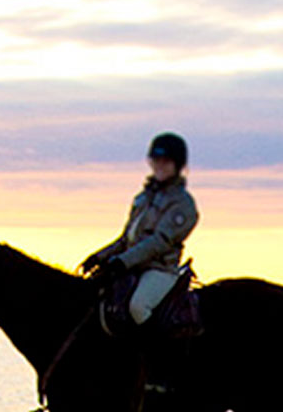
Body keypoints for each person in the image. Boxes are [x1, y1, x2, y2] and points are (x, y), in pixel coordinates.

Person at [79, 132, 198, 329]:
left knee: (138, 306)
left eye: (166, 162)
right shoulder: (143, 198)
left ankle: (155, 347)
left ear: (177, 165)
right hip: (133, 266)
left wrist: (122, 262)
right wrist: (99, 257)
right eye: (156, 160)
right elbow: (126, 239)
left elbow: (159, 242)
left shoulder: (183, 204)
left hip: (159, 270)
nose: (160, 166)